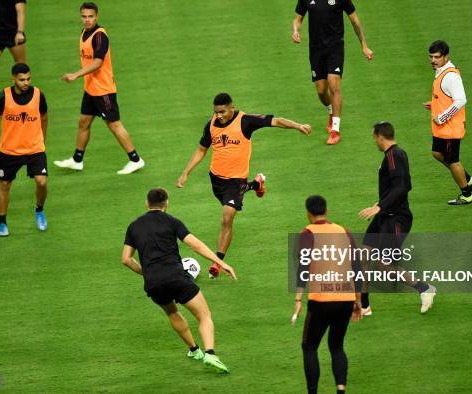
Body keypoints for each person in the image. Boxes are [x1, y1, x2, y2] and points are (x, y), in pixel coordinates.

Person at [177, 92, 311, 279]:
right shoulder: (211, 125)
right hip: (216, 179)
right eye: (216, 112)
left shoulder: (245, 121)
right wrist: (186, 172)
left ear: (232, 108)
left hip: (236, 179)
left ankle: (218, 262)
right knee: (229, 204)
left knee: (227, 217)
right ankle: (256, 184)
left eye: (222, 111)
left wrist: (298, 126)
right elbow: (201, 150)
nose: (219, 116)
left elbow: (276, 121)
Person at [122, 188, 237, 373]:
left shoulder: (133, 226)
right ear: (166, 204)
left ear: (146, 203)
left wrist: (147, 273)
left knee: (172, 313)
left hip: (153, 283)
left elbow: (126, 259)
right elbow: (195, 245)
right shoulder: (172, 221)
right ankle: (210, 353)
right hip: (176, 277)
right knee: (204, 315)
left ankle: (194, 350)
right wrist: (220, 262)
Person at [54, 2, 145, 175]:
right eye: (84, 16)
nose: (87, 20)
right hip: (91, 89)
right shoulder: (84, 33)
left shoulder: (100, 36)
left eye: (90, 16)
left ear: (97, 16)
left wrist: (75, 75)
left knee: (114, 125)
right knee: (83, 122)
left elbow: (98, 63)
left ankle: (135, 159)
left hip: (103, 91)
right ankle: (77, 160)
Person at [358, 122, 435, 314]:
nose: (374, 141)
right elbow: (400, 185)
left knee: (384, 265)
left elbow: (402, 187)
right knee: (365, 254)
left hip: (396, 218)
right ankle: (364, 305)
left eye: (374, 137)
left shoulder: (393, 155)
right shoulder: (395, 155)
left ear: (380, 137)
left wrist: (379, 206)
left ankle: (424, 288)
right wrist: (380, 204)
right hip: (385, 214)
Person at [292, 195, 361, 394]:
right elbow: (357, 268)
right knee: (337, 346)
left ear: (308, 214)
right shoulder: (343, 231)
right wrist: (357, 300)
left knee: (309, 346)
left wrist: (298, 298)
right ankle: (341, 389)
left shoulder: (308, 233)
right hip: (345, 299)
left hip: (321, 300)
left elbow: (303, 266)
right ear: (327, 211)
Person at [292, 0, 373, 145]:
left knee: (334, 84)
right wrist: (296, 31)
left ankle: (335, 131)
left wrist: (364, 45)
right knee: (321, 91)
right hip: (316, 50)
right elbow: (298, 19)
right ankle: (331, 110)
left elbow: (354, 20)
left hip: (335, 48)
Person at [0, 63, 48, 237]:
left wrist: (42, 139)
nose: (26, 82)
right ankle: (2, 223)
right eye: (21, 80)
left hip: (34, 148)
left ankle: (39, 210)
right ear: (13, 78)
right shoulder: (3, 96)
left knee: (42, 182)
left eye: (28, 79)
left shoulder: (38, 94)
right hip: (10, 151)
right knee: (4, 185)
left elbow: (44, 116)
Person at [423, 40, 472, 205]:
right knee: (437, 153)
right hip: (444, 129)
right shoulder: (442, 72)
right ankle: (468, 179)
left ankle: (467, 194)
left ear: (446, 57)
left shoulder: (450, 76)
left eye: (437, 57)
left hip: (450, 128)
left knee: (452, 159)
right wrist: (435, 104)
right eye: (431, 57)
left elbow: (461, 100)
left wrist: (442, 116)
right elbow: (446, 97)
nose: (433, 60)